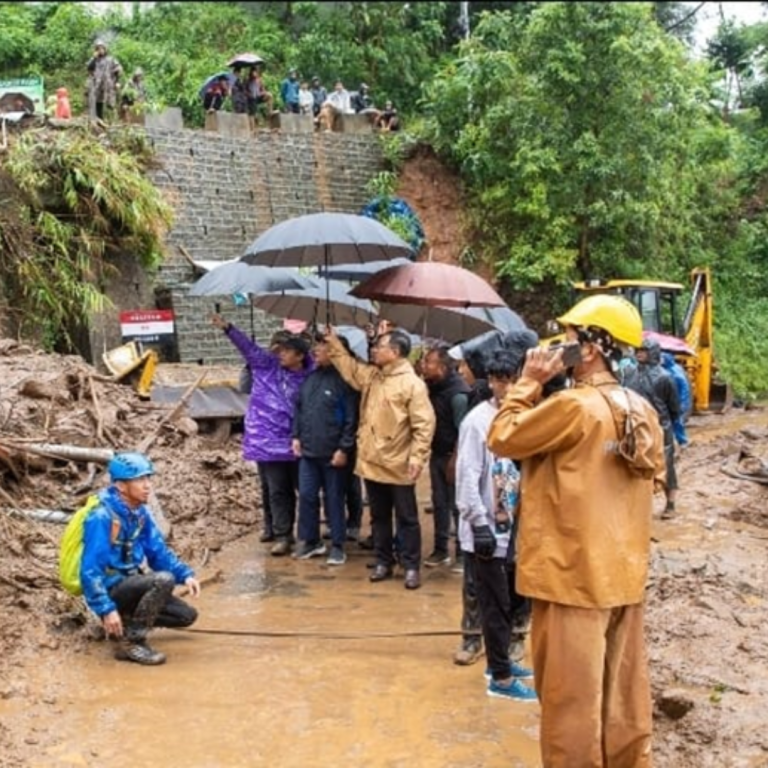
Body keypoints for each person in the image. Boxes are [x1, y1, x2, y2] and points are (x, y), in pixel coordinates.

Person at [487, 294, 665, 768]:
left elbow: (502, 436)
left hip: (571, 581)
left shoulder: (574, 407)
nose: (555, 347)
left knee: (570, 706)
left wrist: (528, 383)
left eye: (566, 339)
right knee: (622, 700)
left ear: (589, 349)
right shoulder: (641, 409)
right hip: (624, 580)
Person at [325, 325, 435, 590]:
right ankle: (384, 561)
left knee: (406, 517)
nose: (374, 350)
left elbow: (424, 424)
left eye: (380, 346)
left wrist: (417, 457)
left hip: (399, 462)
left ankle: (410, 565)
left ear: (395, 352)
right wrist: (333, 343)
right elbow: (350, 368)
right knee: (379, 516)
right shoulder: (374, 376)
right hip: (372, 460)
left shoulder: (412, 384)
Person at [456, 347, 538, 702]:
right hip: (486, 529)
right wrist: (478, 525)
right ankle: (501, 679)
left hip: (511, 524)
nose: (505, 388)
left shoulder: (522, 417)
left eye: (511, 381)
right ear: (491, 382)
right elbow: (467, 475)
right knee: (493, 604)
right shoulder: (477, 421)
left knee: (508, 600)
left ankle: (498, 662)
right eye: (498, 381)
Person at [80, 452, 200, 666]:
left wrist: (185, 574)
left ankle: (125, 622)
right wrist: (106, 609)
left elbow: (157, 552)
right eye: (140, 480)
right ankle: (131, 642)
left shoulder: (140, 513)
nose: (147, 486)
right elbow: (90, 571)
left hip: (131, 584)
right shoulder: (101, 517)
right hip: (112, 589)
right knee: (162, 580)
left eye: (148, 479)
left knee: (186, 616)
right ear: (121, 486)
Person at [212, 316, 314, 555]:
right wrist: (229, 327)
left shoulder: (310, 374)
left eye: (287, 350)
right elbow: (246, 346)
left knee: (306, 492)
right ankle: (282, 535)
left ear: (299, 356)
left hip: (299, 439)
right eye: (279, 349)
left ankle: (308, 536)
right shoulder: (265, 365)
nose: (280, 353)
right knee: (277, 491)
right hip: (269, 441)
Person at [292, 334, 359, 565]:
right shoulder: (310, 379)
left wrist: (344, 448)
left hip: (333, 454)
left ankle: (338, 545)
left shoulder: (345, 382)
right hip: (308, 452)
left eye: (322, 346)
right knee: (308, 497)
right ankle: (311, 541)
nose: (316, 350)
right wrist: (296, 436)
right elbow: (300, 410)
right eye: (317, 346)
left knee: (334, 499)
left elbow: (351, 419)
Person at [421, 344, 470, 568]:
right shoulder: (432, 387)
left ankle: (462, 552)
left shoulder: (458, 395)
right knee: (439, 502)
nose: (424, 366)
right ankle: (441, 550)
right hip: (437, 453)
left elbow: (464, 432)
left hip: (454, 457)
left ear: (441, 367)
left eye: (428, 362)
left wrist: (454, 461)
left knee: (458, 505)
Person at [625, 338, 681, 519]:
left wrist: (673, 430)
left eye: (644, 350)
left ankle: (670, 503)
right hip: (636, 425)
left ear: (653, 353)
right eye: (638, 350)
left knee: (666, 465)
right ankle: (637, 506)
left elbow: (674, 407)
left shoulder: (665, 377)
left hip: (660, 426)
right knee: (635, 464)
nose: (640, 353)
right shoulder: (629, 374)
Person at [86, 39, 123, 120]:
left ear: (105, 49)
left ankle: (112, 122)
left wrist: (117, 82)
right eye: (98, 48)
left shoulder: (111, 59)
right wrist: (94, 58)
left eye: (102, 48)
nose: (100, 50)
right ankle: (100, 121)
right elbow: (89, 68)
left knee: (110, 104)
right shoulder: (94, 60)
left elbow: (118, 69)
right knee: (98, 103)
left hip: (109, 85)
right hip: (97, 85)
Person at [661, 351, 692, 448]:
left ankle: (682, 441)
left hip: (675, 400)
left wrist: (683, 404)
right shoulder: (669, 369)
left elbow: (684, 389)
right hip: (668, 399)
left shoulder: (674, 372)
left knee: (676, 421)